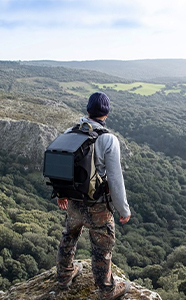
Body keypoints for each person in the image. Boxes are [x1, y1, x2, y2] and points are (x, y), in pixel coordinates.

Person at [56, 92, 131, 300]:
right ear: (105, 114)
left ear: (87, 110)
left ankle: (63, 276)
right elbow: (116, 180)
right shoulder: (108, 139)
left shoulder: (70, 132)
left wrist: (61, 194)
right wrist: (124, 210)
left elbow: (61, 166)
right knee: (102, 245)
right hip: (97, 206)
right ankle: (106, 290)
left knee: (69, 236)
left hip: (73, 201)